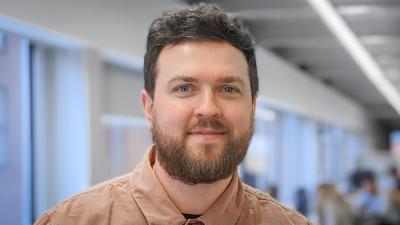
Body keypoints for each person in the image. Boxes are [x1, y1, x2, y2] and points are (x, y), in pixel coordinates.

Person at [34, 3, 312, 225]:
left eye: (228, 89)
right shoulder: (70, 221)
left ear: (252, 107)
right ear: (149, 107)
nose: (208, 108)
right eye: (184, 88)